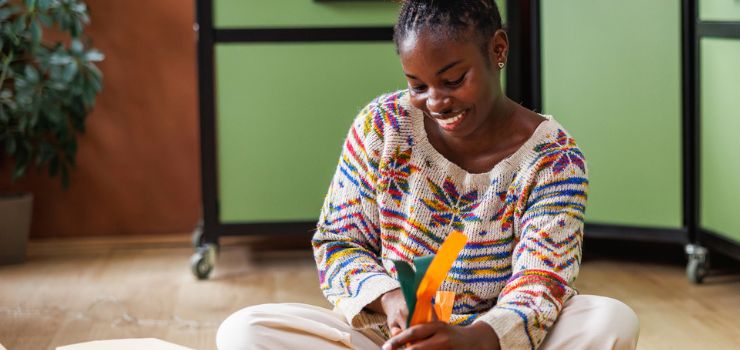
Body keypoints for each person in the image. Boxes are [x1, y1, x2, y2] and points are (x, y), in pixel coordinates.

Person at [216, 1, 639, 349]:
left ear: (498, 50)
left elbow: (542, 279)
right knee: (245, 330)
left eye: (454, 79)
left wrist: (474, 339)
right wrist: (391, 298)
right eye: (417, 85)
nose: (436, 101)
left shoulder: (554, 159)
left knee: (610, 320)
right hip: (386, 340)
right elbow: (337, 242)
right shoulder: (382, 126)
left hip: (492, 343)